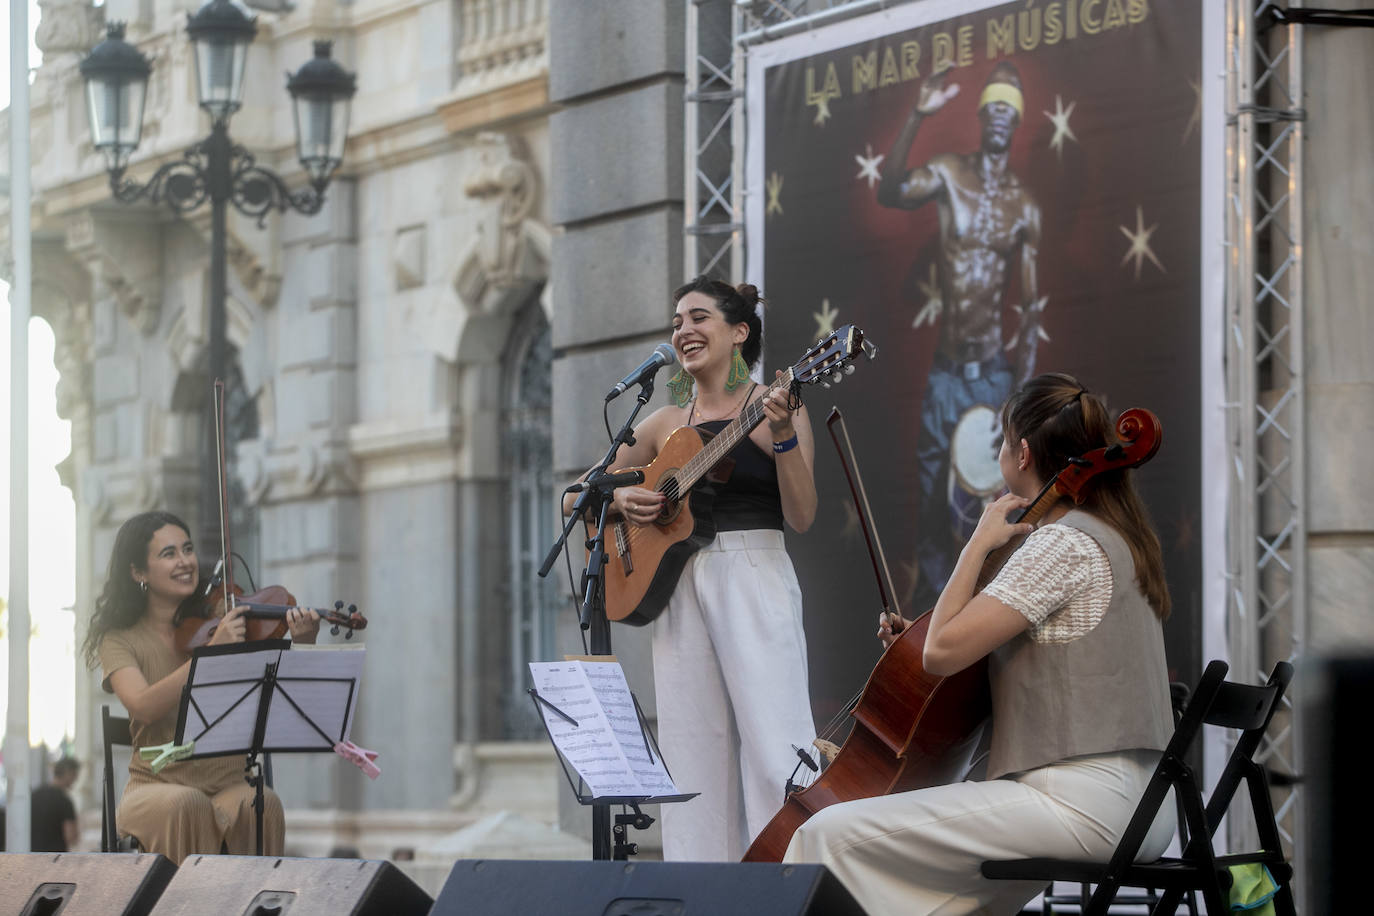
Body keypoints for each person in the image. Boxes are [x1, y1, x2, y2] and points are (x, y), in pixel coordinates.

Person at [783, 373, 1176, 916]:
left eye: (1002, 443)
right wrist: (912, 656)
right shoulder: (1115, 535)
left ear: (1021, 452)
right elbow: (1000, 661)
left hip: (1082, 804)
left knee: (825, 836)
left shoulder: (1061, 542)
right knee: (945, 902)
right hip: (1141, 808)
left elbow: (940, 651)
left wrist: (979, 540)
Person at [565, 277, 818, 861]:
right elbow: (574, 496)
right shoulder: (662, 423)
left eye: (699, 318)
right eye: (677, 321)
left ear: (739, 332)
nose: (683, 331)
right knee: (692, 753)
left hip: (751, 573)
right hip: (679, 586)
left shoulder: (775, 402)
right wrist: (621, 500)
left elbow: (802, 516)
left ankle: (783, 888)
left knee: (776, 748)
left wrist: (780, 433)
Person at [877, 61, 1044, 610]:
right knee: (930, 501)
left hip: (994, 375)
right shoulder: (950, 172)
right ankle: (924, 627)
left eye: (1009, 109)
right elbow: (892, 190)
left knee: (995, 504)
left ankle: (989, 615)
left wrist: (1017, 403)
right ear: (981, 116)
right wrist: (917, 117)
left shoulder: (1024, 205)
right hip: (948, 374)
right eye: (992, 106)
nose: (1000, 117)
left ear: (1015, 122)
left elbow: (1032, 308)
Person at [82, 510, 320, 864]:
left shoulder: (221, 617)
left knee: (263, 803)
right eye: (169, 554)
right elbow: (143, 706)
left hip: (227, 781)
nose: (185, 562)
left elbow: (275, 694)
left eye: (188, 549)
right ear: (138, 572)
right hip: (156, 787)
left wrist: (304, 642)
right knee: (185, 804)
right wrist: (209, 654)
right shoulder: (120, 639)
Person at [31, 757, 81, 851]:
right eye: (75, 774)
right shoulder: (65, 801)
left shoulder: (35, 794)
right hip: (56, 859)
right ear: (68, 773)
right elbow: (71, 837)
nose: (76, 779)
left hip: (32, 856)